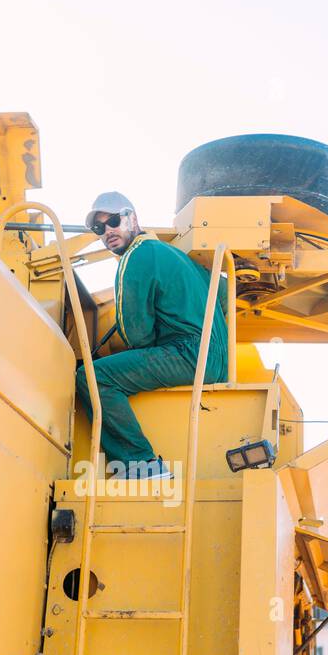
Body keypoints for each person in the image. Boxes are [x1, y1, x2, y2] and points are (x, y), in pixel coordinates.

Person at [75, 191, 228, 479]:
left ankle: (140, 464)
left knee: (92, 378)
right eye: (99, 228)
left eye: (114, 221)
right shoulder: (178, 256)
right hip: (219, 360)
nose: (107, 231)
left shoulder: (135, 257)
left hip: (187, 354)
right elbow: (223, 293)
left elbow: (137, 335)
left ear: (133, 218)